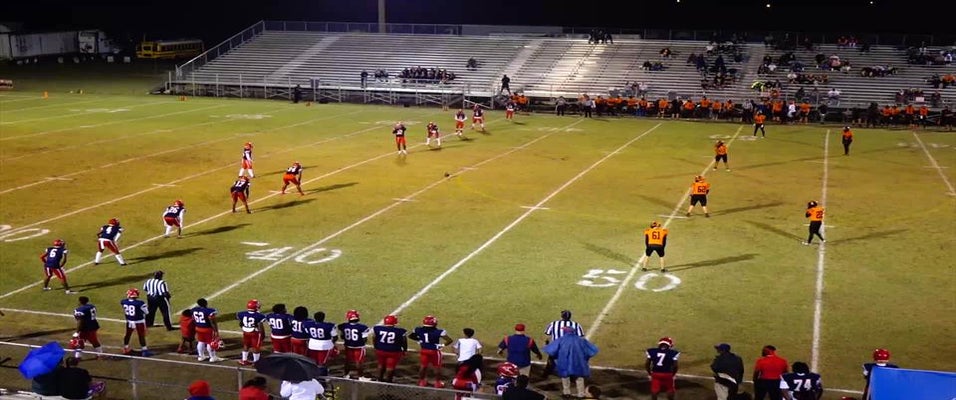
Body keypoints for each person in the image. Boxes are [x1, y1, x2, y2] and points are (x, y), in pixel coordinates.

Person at [543, 326, 599, 398]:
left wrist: (547, 346)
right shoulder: (581, 340)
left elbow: (551, 351)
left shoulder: (561, 340)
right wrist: (585, 358)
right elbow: (591, 351)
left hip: (564, 362)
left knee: (565, 377)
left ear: (565, 332)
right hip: (578, 362)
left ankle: (566, 393)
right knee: (579, 378)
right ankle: (581, 394)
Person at [408, 314, 453, 387]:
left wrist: (420, 340)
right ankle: (437, 383)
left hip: (424, 350)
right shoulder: (438, 331)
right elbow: (449, 340)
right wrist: (442, 345)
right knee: (437, 367)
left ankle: (421, 382)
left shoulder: (418, 329)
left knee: (423, 366)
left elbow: (410, 336)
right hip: (434, 351)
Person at [542, 310, 584, 378]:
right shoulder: (576, 325)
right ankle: (571, 376)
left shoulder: (554, 324)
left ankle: (546, 374)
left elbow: (547, 335)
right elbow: (580, 337)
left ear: (561, 316)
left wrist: (547, 344)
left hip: (556, 347)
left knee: (551, 361)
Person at [372, 314, 407, 383]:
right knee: (390, 367)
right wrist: (404, 350)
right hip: (393, 351)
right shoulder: (401, 331)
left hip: (380, 350)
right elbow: (404, 341)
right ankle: (388, 381)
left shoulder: (377, 328)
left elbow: (374, 337)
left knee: (381, 365)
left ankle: (379, 379)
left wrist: (376, 346)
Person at [338, 309, 370, 379]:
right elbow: (364, 339)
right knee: (358, 362)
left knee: (348, 361)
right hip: (359, 347)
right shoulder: (363, 327)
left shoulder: (343, 326)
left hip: (348, 345)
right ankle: (361, 377)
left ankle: (346, 375)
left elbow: (342, 336)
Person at [120, 288, 152, 356]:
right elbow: (146, 312)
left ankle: (125, 348)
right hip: (139, 322)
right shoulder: (140, 303)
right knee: (141, 336)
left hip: (129, 321)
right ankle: (144, 350)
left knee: (128, 335)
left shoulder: (123, 301)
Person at [236, 299, 266, 366]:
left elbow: (241, 323)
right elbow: (260, 326)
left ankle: (244, 360)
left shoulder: (241, 314)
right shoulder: (260, 316)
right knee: (256, 347)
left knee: (246, 345)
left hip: (246, 332)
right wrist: (262, 334)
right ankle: (256, 362)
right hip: (254, 333)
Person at [192, 298, 222, 362]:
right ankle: (212, 357)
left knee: (201, 341)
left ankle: (201, 356)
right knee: (210, 342)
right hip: (207, 329)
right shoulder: (209, 311)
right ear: (206, 303)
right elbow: (212, 322)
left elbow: (193, 318)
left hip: (198, 328)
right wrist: (216, 331)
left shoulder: (194, 310)